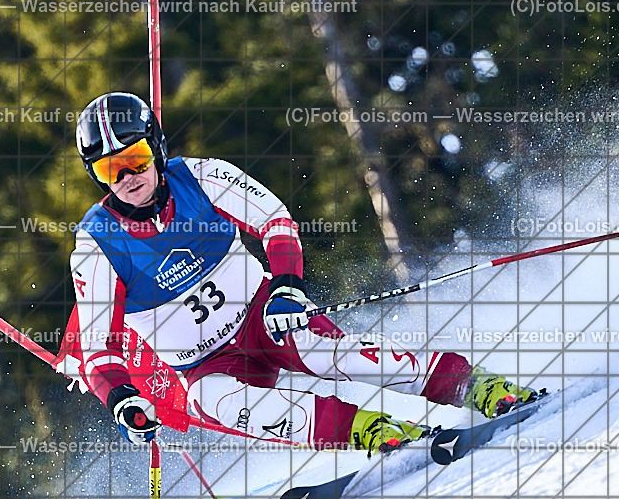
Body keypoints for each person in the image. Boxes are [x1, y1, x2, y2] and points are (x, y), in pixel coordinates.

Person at [69, 92, 537, 453]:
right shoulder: (97, 244)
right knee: (216, 403)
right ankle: (370, 430)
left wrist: (287, 288)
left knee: (331, 354)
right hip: (204, 365)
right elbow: (96, 349)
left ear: (155, 148)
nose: (128, 176)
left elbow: (273, 220)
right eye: (111, 169)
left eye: (136, 159)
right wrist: (123, 400)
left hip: (262, 317)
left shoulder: (200, 177)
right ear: (99, 176)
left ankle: (474, 385)